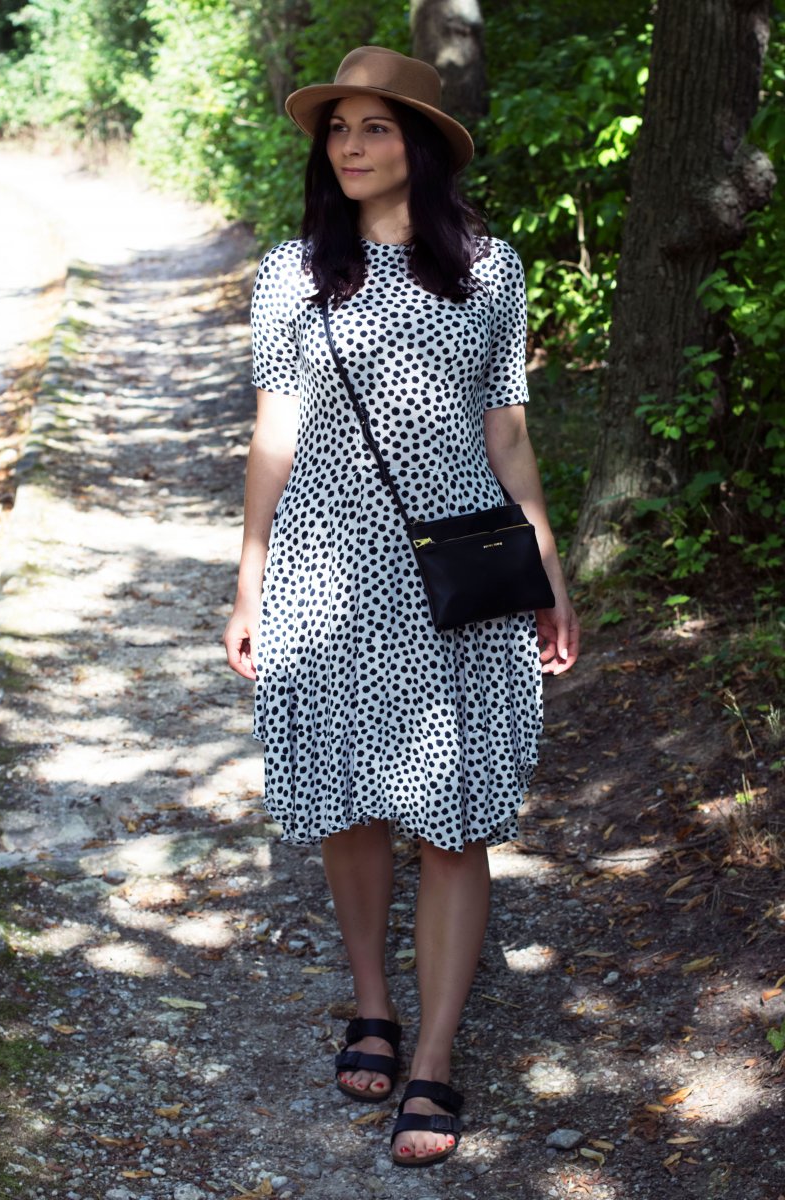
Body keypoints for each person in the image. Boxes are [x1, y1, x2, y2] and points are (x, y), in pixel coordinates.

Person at [223, 45, 579, 1168]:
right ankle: (369, 1000)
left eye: (374, 127)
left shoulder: (489, 269)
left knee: (452, 813)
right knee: (348, 799)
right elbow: (275, 430)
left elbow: (507, 433)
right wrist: (249, 569)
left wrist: (547, 570)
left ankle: (430, 1056)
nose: (351, 146)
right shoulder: (294, 273)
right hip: (330, 568)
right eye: (337, 130)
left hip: (461, 570)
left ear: (417, 142)